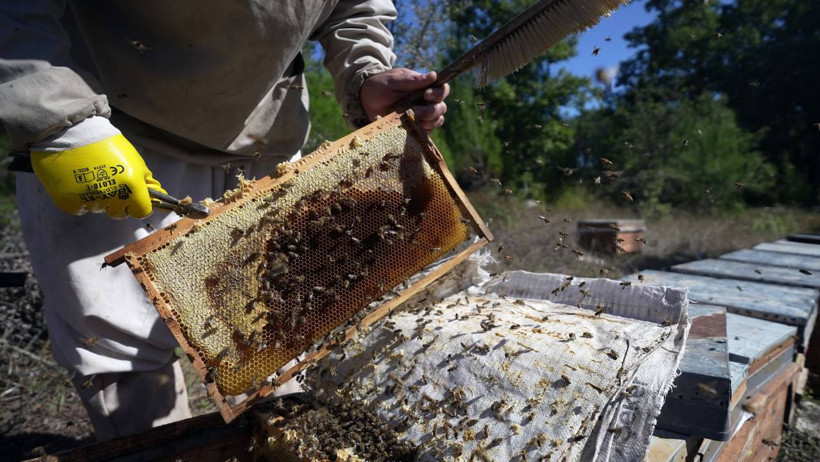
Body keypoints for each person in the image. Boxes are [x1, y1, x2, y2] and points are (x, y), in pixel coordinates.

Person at [0, 0, 449, 441]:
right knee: (123, 351)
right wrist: (61, 119)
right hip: (112, 133)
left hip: (265, 142)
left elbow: (356, 7)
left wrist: (364, 72)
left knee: (276, 334)